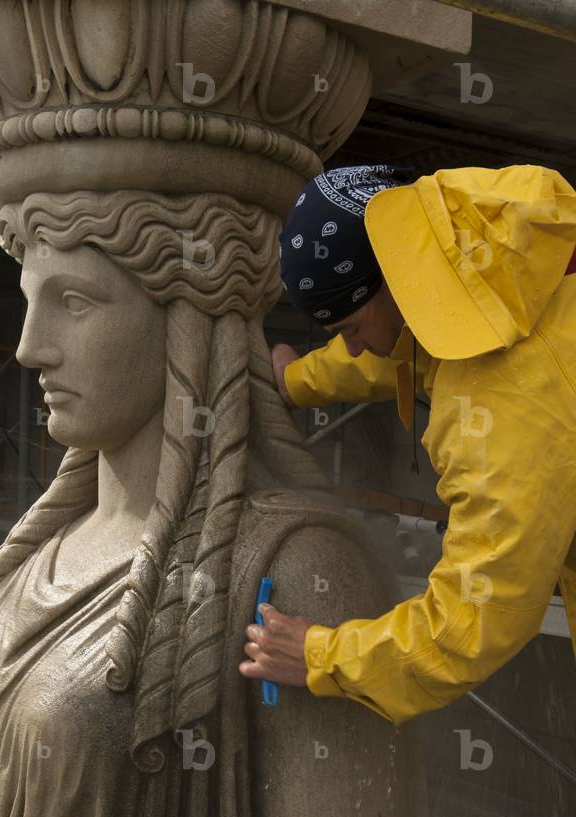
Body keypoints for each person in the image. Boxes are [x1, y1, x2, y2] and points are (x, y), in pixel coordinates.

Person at [240, 163, 576, 725]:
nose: (354, 347)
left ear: (396, 281)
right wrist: (299, 381)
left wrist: (318, 656)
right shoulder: (492, 255)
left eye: (349, 329)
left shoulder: (506, 406)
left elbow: (470, 624)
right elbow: (407, 348)